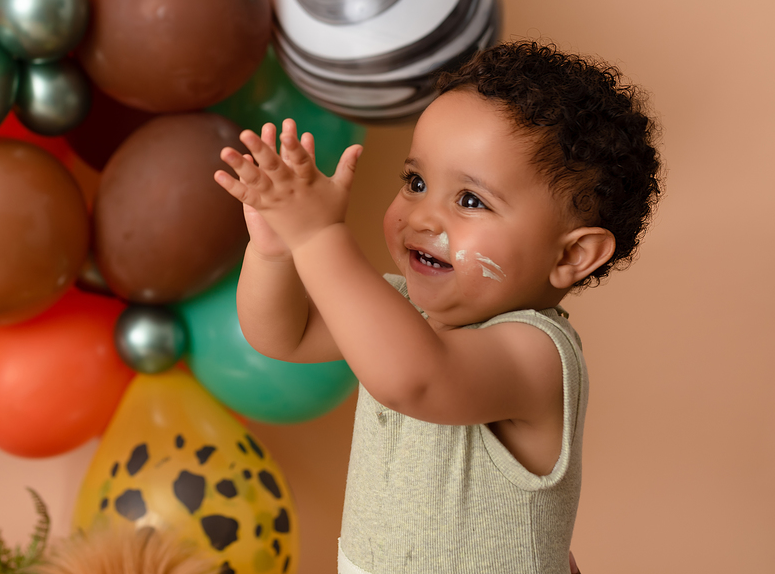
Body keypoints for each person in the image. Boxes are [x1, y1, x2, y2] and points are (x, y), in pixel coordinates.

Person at [214, 41, 661, 574]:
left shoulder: (536, 354)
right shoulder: (399, 310)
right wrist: (276, 250)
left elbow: (412, 379)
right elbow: (282, 335)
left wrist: (317, 235)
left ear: (571, 255)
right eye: (416, 182)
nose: (423, 217)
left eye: (470, 200)